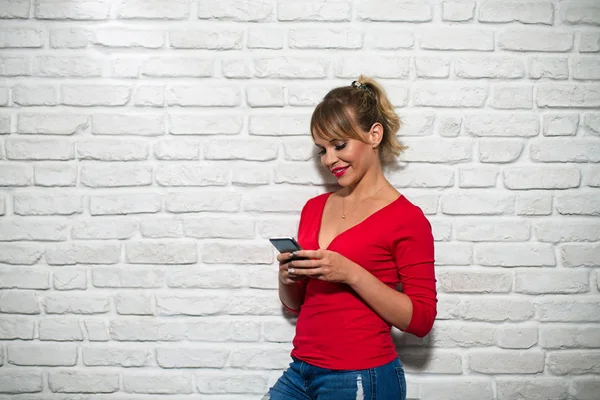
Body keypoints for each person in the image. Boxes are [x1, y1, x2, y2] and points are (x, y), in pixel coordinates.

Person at [264, 76, 437, 400]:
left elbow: (421, 320)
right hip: (301, 369)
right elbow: (295, 305)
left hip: (362, 375)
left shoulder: (407, 219)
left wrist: (351, 273)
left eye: (340, 145)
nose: (330, 159)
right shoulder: (314, 208)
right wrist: (286, 276)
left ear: (374, 134)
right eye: (322, 149)